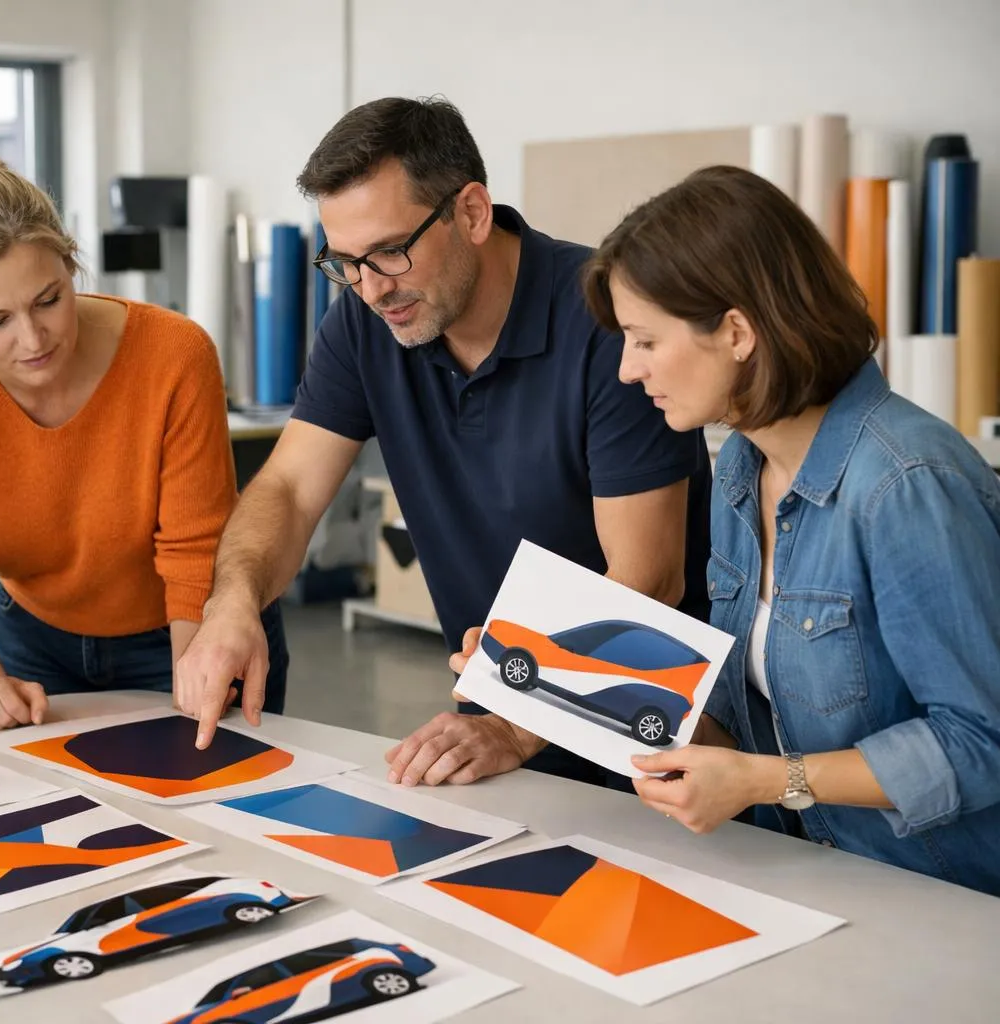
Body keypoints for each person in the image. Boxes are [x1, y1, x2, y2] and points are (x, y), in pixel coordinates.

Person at [176, 97, 712, 787]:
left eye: (391, 252)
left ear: (471, 213)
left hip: (654, 727)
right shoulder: (366, 324)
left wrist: (513, 725)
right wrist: (234, 602)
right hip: (503, 712)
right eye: (345, 263)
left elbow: (648, 579)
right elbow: (286, 487)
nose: (371, 288)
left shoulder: (607, 323)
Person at [584, 164, 1000, 895]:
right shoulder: (743, 465)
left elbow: (981, 742)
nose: (625, 370)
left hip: (937, 897)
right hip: (810, 874)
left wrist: (767, 781)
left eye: (645, 341)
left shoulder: (907, 485)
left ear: (738, 332)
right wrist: (550, 678)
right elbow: (746, 725)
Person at [0, 144, 287, 733]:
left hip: (186, 627)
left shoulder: (174, 355)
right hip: (29, 638)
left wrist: (193, 700)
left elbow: (194, 553)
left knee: (201, 798)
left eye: (49, 299)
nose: (33, 339)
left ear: (71, 266)